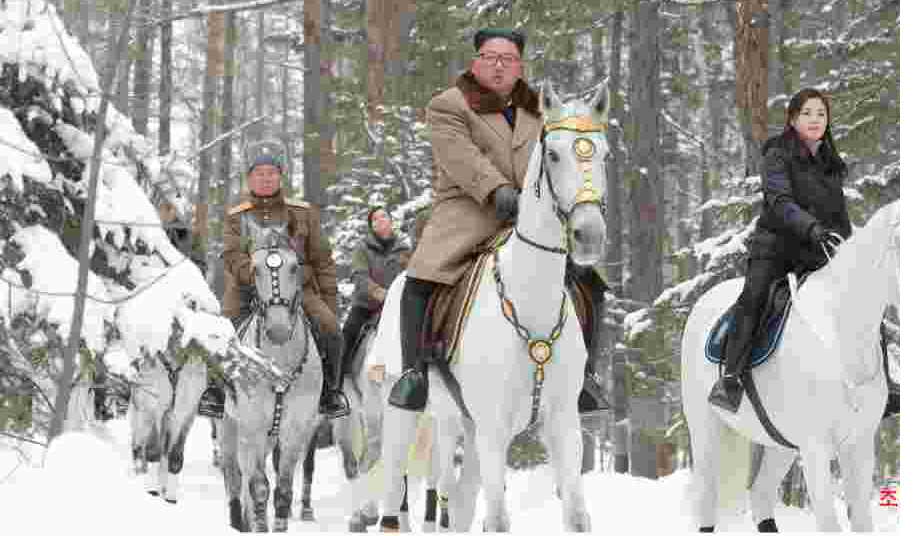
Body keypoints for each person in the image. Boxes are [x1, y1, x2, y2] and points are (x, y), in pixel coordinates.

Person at [386, 27, 610, 415]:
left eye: (508, 59)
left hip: (531, 217)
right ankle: (414, 375)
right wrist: (496, 189)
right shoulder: (448, 105)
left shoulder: (541, 108)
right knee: (422, 279)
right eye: (491, 57)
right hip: (468, 211)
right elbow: (459, 157)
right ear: (476, 62)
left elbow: (561, 154)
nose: (499, 66)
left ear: (520, 67)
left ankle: (584, 377)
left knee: (591, 281)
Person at [707, 88, 900, 418]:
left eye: (821, 114)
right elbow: (779, 203)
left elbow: (840, 218)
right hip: (776, 248)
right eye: (807, 113)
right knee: (755, 295)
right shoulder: (776, 155)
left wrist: (853, 251)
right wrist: (811, 228)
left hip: (819, 251)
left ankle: (886, 384)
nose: (815, 119)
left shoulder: (831, 163)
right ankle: (731, 379)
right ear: (793, 119)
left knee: (865, 296)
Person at [197, 140, 349, 419]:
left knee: (332, 331)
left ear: (281, 176)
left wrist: (330, 304)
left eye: (271, 173)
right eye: (259, 173)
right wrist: (254, 276)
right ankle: (216, 393)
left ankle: (330, 393)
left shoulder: (303, 213)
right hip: (247, 290)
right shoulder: (236, 217)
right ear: (249, 178)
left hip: (299, 291)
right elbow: (231, 255)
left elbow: (322, 260)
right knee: (220, 334)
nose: (266, 178)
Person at [341, 206, 411, 379]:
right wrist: (377, 292)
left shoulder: (404, 249)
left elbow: (410, 274)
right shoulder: (362, 248)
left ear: (391, 221)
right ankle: (336, 379)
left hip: (395, 306)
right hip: (366, 305)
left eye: (383, 216)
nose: (380, 220)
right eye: (375, 219)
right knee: (348, 333)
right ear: (371, 226)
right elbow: (359, 274)